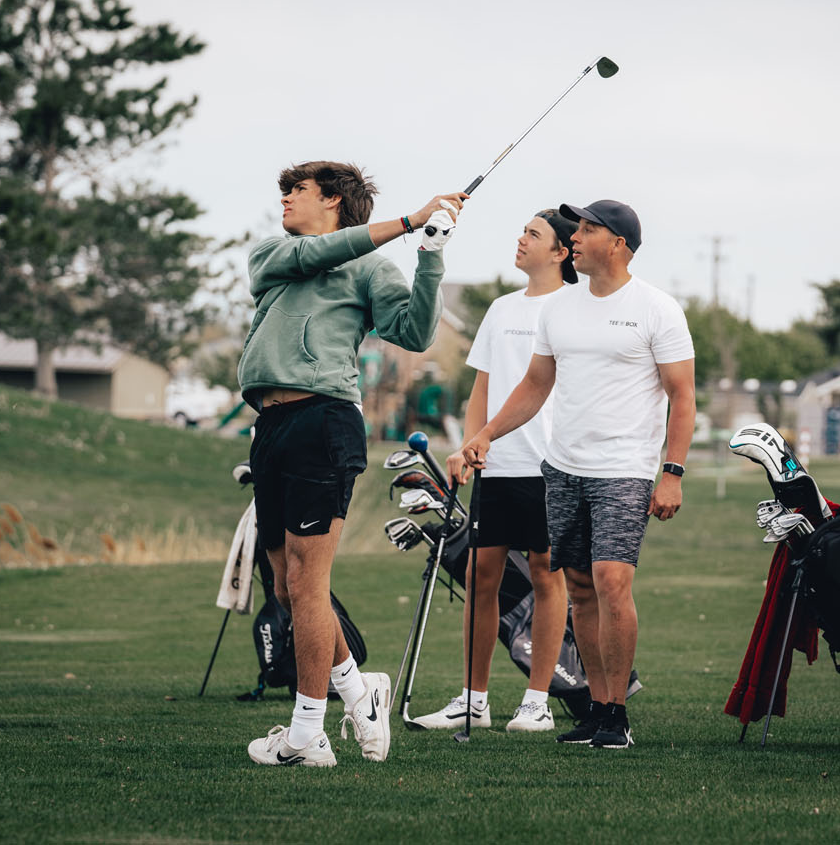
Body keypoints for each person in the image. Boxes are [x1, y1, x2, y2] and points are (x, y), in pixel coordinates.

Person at [240, 160, 466, 767]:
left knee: (308, 584)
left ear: (335, 201)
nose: (285, 199)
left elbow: (414, 332)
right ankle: (359, 693)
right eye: (285, 190)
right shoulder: (274, 255)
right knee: (286, 586)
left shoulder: (372, 267)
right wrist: (409, 220)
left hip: (323, 421)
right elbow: (317, 255)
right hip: (272, 426)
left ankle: (305, 735)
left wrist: (431, 253)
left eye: (298, 191)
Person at [460, 200, 695, 749]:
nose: (578, 237)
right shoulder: (558, 311)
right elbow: (535, 386)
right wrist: (486, 434)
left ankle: (616, 714)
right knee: (583, 590)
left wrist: (673, 472)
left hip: (624, 469)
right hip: (562, 468)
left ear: (617, 244)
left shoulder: (656, 308)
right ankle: (594, 708)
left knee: (613, 582)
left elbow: (682, 397)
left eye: (589, 229)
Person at [410, 209, 577, 734]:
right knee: (482, 579)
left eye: (534, 234)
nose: (521, 239)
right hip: (495, 467)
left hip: (551, 468)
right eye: (523, 231)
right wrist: (467, 446)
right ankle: (472, 699)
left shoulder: (575, 309)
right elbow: (481, 391)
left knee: (548, 578)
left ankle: (537, 701)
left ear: (561, 252)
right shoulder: (501, 310)